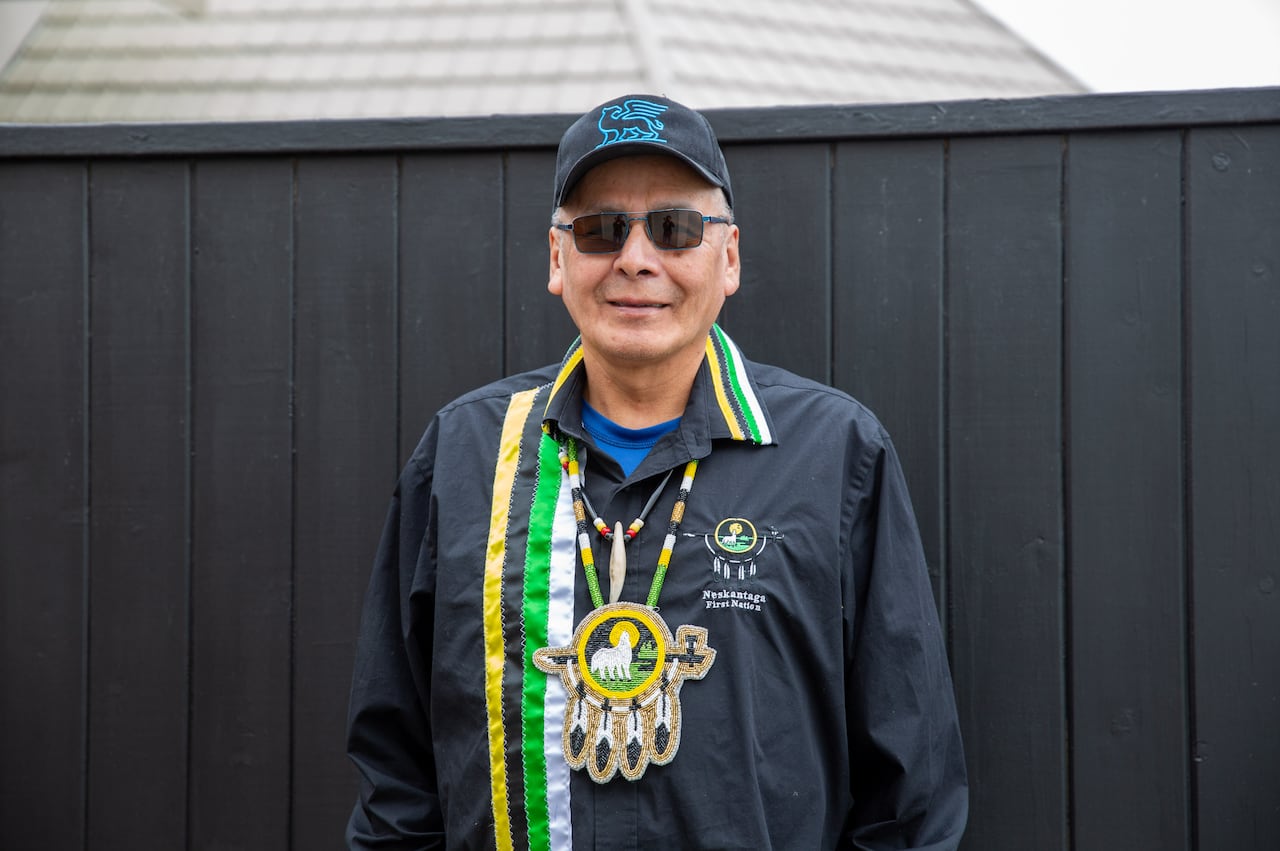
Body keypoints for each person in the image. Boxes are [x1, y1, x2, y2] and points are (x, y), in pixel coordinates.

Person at [346, 93, 967, 850]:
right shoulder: (467, 453)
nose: (636, 258)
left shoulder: (835, 453)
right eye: (601, 229)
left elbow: (911, 793)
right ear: (557, 258)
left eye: (675, 229)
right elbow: (395, 772)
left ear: (728, 257)